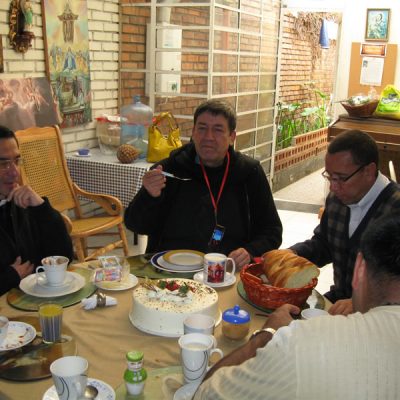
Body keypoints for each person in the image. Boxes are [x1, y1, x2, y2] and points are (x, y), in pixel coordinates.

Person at [195, 215, 400, 399]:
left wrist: (267, 333)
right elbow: (320, 244)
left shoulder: (301, 343)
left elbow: (207, 393)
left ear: (360, 270)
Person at [124, 100, 282, 269]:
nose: (208, 137)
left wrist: (250, 251)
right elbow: (135, 225)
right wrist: (149, 196)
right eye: (202, 128)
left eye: (218, 130)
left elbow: (272, 231)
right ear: (193, 132)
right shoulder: (167, 170)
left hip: (226, 270)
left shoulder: (249, 172)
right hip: (170, 271)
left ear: (232, 137)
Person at [286, 129, 400, 316]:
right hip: (337, 303)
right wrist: (291, 254)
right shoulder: (337, 199)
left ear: (369, 171)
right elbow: (324, 245)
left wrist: (362, 304)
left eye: (341, 178)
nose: (333, 186)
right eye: (329, 176)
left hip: (381, 318)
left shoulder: (395, 209)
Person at [0, 125, 73, 296]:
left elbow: (62, 258)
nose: (14, 172)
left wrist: (42, 208)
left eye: (16, 161)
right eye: (3, 164)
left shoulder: (22, 204)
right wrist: (10, 277)